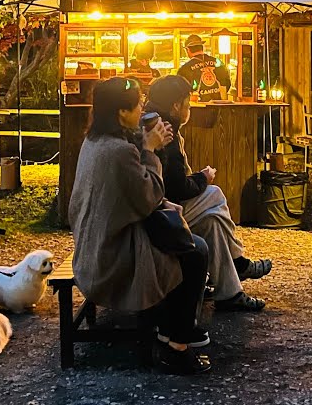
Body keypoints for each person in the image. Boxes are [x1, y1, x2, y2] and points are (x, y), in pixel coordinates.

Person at [69, 77, 212, 375]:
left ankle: (171, 328)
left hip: (93, 246)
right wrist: (149, 149)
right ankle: (177, 346)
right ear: (122, 112)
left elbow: (134, 192)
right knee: (194, 251)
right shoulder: (119, 152)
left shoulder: (95, 141)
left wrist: (146, 143)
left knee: (180, 243)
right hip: (110, 259)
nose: (142, 109)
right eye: (138, 105)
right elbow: (151, 196)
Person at [146, 75, 271, 313]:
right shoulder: (165, 132)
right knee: (214, 194)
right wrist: (203, 177)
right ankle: (238, 260)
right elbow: (176, 188)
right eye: (188, 104)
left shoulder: (155, 122)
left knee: (213, 222)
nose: (190, 109)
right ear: (176, 106)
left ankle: (230, 294)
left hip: (157, 207)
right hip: (161, 213)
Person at [176, 34, 231, 102]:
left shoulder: (185, 69)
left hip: (197, 107)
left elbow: (179, 91)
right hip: (218, 106)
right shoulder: (218, 63)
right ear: (202, 48)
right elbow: (227, 83)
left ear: (188, 50)